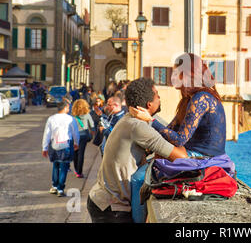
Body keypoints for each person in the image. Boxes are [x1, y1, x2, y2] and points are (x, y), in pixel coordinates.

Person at [87, 77, 188, 223]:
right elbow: (182, 157)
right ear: (149, 104)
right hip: (112, 209)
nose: (160, 98)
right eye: (157, 96)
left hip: (102, 200)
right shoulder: (138, 126)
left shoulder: (129, 120)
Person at [130, 53, 226, 158]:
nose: (172, 77)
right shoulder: (189, 99)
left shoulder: (201, 99)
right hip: (192, 152)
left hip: (203, 157)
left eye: (176, 73)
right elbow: (170, 129)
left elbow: (180, 140)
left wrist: (150, 120)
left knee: (145, 170)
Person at [42, 99, 80, 197]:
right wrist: (76, 143)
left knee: (56, 164)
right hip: (66, 144)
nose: (69, 108)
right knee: (63, 166)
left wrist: (44, 147)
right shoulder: (70, 119)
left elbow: (47, 133)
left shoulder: (51, 119)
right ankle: (60, 189)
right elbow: (75, 132)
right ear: (65, 108)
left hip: (54, 144)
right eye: (68, 107)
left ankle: (54, 186)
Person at [71, 99, 95, 178]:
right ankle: (79, 172)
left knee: (75, 153)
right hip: (83, 136)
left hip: (74, 136)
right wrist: (93, 133)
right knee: (81, 153)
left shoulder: (73, 116)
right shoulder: (87, 115)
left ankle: (76, 169)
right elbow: (92, 125)